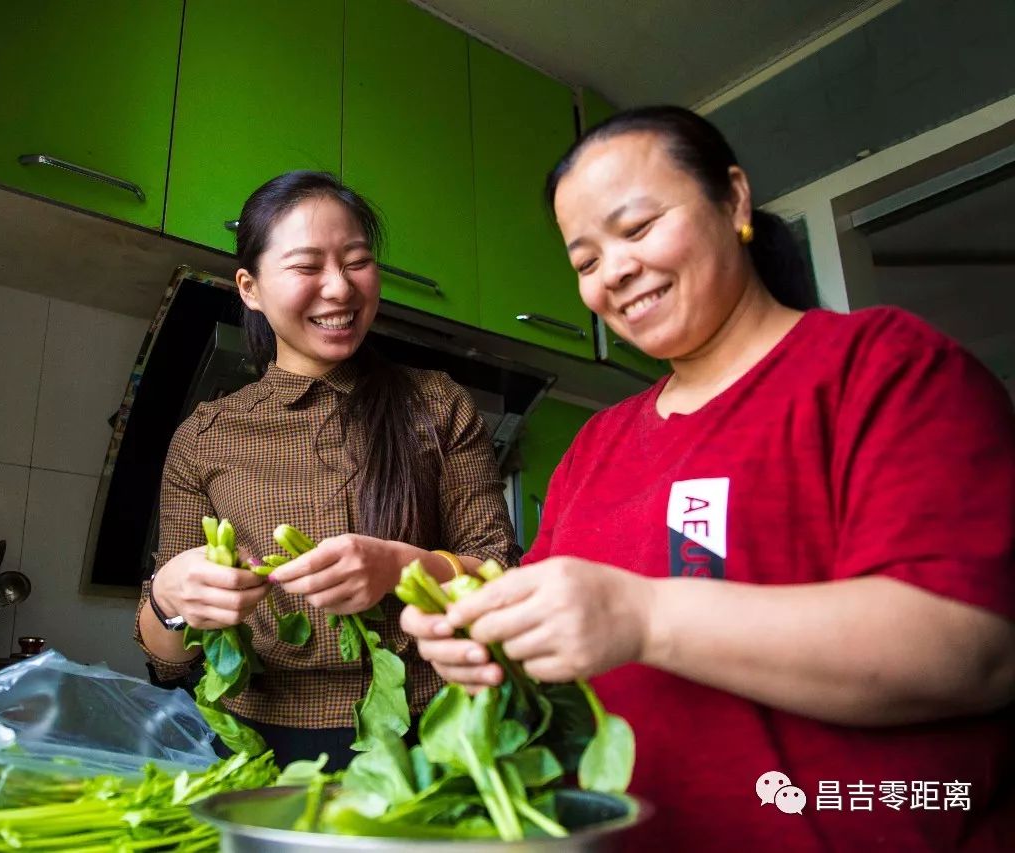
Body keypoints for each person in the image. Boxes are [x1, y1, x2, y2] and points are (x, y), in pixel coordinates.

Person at [401, 106, 1015, 850]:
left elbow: (972, 650)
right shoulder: (597, 444)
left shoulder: (882, 365)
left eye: (636, 228)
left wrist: (645, 616)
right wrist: (482, 638)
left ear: (735, 200)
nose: (615, 271)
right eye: (586, 262)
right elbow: (557, 647)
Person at [135, 171, 519, 769]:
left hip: (430, 734)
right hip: (254, 744)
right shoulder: (204, 437)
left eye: (358, 260)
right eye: (307, 265)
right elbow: (168, 659)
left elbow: (501, 575)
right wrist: (168, 597)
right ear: (251, 287)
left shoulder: (438, 405)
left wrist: (399, 566)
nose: (339, 288)